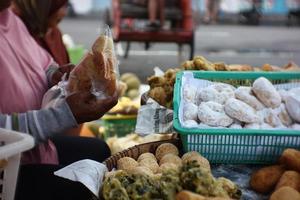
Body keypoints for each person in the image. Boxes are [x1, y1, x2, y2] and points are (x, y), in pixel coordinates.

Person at [0, 1, 118, 199]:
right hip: (8, 168)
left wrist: (56, 73)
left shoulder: (9, 18)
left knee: (100, 151)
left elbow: (41, 63)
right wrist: (63, 115)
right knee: (85, 188)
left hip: (36, 148)